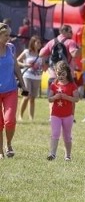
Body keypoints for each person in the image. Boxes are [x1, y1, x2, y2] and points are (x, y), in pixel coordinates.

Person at [0, 22, 28, 158]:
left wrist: (23, 84)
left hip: (11, 89)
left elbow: (16, 67)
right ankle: (0, 151)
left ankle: (9, 144)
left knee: (9, 120)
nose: (8, 38)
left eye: (9, 35)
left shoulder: (11, 48)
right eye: (5, 35)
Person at [47, 61, 79, 161]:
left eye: (63, 74)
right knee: (55, 133)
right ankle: (52, 154)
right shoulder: (54, 85)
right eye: (58, 74)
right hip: (55, 114)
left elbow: (76, 99)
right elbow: (49, 98)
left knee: (67, 136)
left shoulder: (71, 85)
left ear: (67, 73)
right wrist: (55, 97)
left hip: (68, 115)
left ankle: (68, 155)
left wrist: (66, 97)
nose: (60, 76)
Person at [39, 24, 80, 89]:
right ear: (64, 31)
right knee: (68, 97)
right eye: (70, 32)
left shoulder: (51, 42)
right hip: (67, 76)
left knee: (53, 97)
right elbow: (74, 55)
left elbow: (41, 54)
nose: (72, 34)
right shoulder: (71, 42)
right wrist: (79, 48)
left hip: (53, 75)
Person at [17, 35, 43, 121]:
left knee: (33, 98)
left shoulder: (41, 54)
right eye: (38, 42)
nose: (39, 44)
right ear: (33, 43)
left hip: (37, 78)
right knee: (26, 96)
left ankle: (31, 117)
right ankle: (20, 116)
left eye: (40, 42)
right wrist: (24, 65)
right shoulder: (26, 52)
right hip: (27, 76)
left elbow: (42, 65)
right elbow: (17, 61)